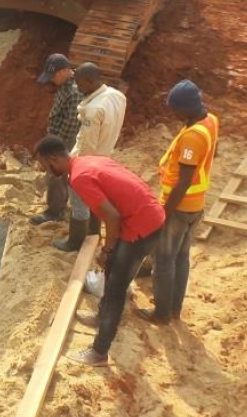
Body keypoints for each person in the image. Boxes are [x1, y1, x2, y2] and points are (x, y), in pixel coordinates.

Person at [34, 135, 165, 367]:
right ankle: (101, 316)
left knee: (115, 287)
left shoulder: (79, 178)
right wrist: (110, 250)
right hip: (146, 215)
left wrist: (107, 248)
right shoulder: (89, 161)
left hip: (141, 225)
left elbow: (112, 216)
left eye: (45, 165)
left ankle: (99, 352)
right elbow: (113, 209)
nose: (47, 171)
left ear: (53, 158)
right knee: (112, 268)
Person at [141, 80, 219, 325]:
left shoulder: (192, 138)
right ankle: (174, 308)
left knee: (164, 259)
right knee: (181, 257)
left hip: (180, 207)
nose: (173, 114)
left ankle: (162, 313)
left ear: (186, 108)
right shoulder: (210, 121)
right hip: (196, 206)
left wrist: (163, 213)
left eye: (176, 110)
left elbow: (183, 182)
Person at [52, 63, 128, 252]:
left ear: (89, 81)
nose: (77, 88)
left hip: (89, 161)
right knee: (96, 200)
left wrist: (75, 171)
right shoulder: (117, 96)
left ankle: (75, 241)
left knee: (79, 204)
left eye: (80, 84)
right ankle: (93, 234)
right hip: (105, 157)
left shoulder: (93, 111)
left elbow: (87, 147)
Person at [30, 54, 84, 228]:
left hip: (65, 139)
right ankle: (60, 202)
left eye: (53, 76)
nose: (52, 81)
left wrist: (53, 146)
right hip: (59, 136)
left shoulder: (74, 91)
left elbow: (70, 124)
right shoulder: (65, 85)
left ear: (63, 72)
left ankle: (55, 211)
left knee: (55, 173)